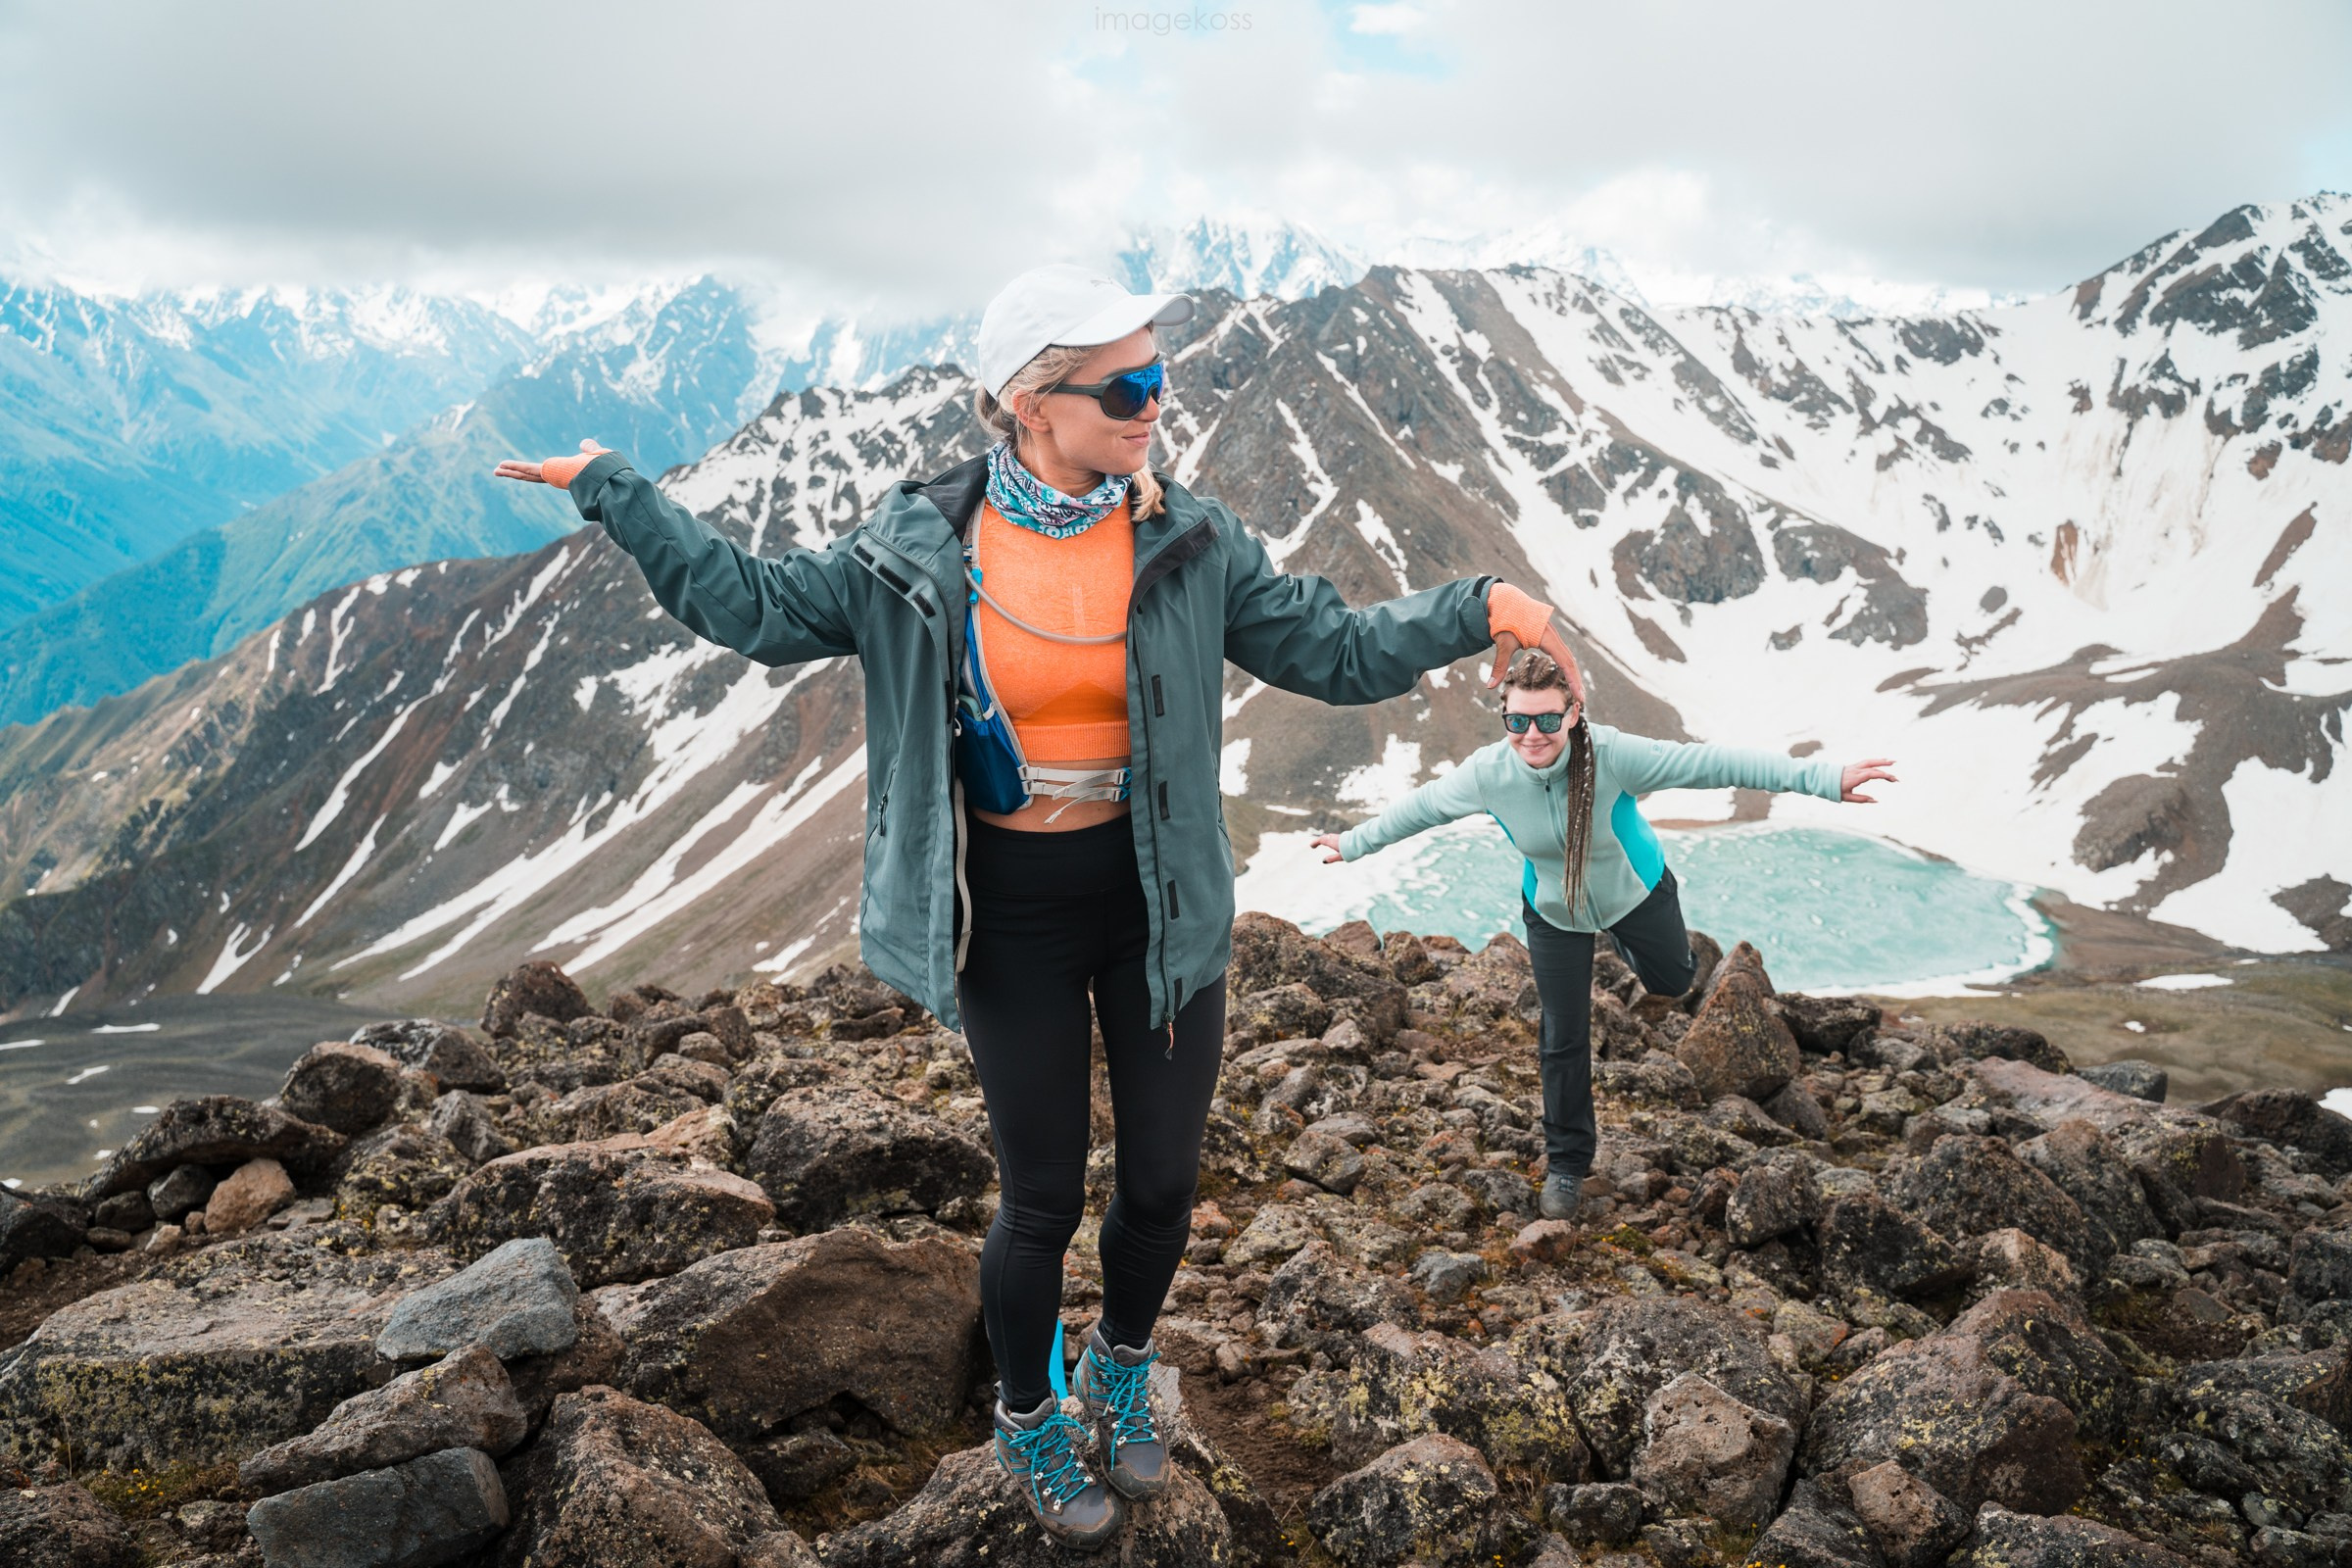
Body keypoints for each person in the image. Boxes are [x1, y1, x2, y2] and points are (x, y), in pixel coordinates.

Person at [494, 262, 1584, 1550]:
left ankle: (1121, 1363)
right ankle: (1026, 1412)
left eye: (1159, 377)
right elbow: (754, 608)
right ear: (1031, 404)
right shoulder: (917, 545)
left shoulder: (1189, 537)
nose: (1153, 404)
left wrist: (1478, 609)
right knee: (1043, 1198)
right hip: (1006, 914)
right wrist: (614, 489)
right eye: (1124, 386)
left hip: (1156, 903)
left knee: (1168, 1185)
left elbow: (1328, 649)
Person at [1311, 650, 1895, 1223]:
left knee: (1672, 979)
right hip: (1554, 911)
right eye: (1518, 721)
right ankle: (1567, 1164)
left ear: (1571, 712)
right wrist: (1352, 842)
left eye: (1546, 719)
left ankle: (1623, 941)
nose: (1532, 734)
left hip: (1636, 895)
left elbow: (1715, 764)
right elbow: (1419, 809)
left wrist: (1825, 779)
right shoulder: (1488, 775)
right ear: (1505, 718)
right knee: (1562, 1037)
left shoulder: (1615, 756)